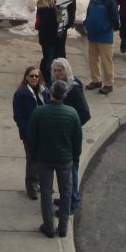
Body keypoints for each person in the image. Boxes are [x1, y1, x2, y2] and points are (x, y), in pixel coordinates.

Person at [26, 80, 82, 240]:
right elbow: (77, 139)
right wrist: (75, 156)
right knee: (66, 192)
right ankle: (63, 227)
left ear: (50, 93)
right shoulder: (72, 113)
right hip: (65, 159)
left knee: (46, 192)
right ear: (65, 95)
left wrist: (34, 155)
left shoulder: (39, 112)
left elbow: (31, 138)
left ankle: (49, 227)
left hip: (44, 159)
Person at [51, 58, 90, 214]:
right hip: (60, 136)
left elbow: (85, 114)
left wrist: (71, 125)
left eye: (60, 70)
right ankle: (66, 197)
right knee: (63, 172)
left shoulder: (74, 89)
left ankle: (72, 201)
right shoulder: (55, 86)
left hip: (70, 137)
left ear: (66, 70)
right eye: (55, 70)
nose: (57, 73)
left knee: (71, 170)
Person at [12, 66, 49, 200]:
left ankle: (40, 182)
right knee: (32, 160)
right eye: (32, 76)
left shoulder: (45, 92)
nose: (34, 78)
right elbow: (18, 116)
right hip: (30, 134)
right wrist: (27, 130)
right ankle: (31, 186)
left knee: (43, 159)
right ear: (26, 77)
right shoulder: (21, 94)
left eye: (36, 76)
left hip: (45, 133)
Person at [84, 0, 120, 95]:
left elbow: (115, 20)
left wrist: (104, 28)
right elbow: (89, 14)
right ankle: (96, 80)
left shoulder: (110, 1)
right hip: (92, 35)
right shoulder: (92, 0)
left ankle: (109, 83)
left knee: (106, 61)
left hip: (104, 36)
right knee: (93, 59)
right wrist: (87, 24)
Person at [35, 0, 59, 86]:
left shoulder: (52, 5)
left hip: (49, 37)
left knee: (47, 57)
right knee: (48, 58)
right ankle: (47, 79)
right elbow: (49, 24)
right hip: (48, 37)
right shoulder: (45, 8)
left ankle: (41, 75)